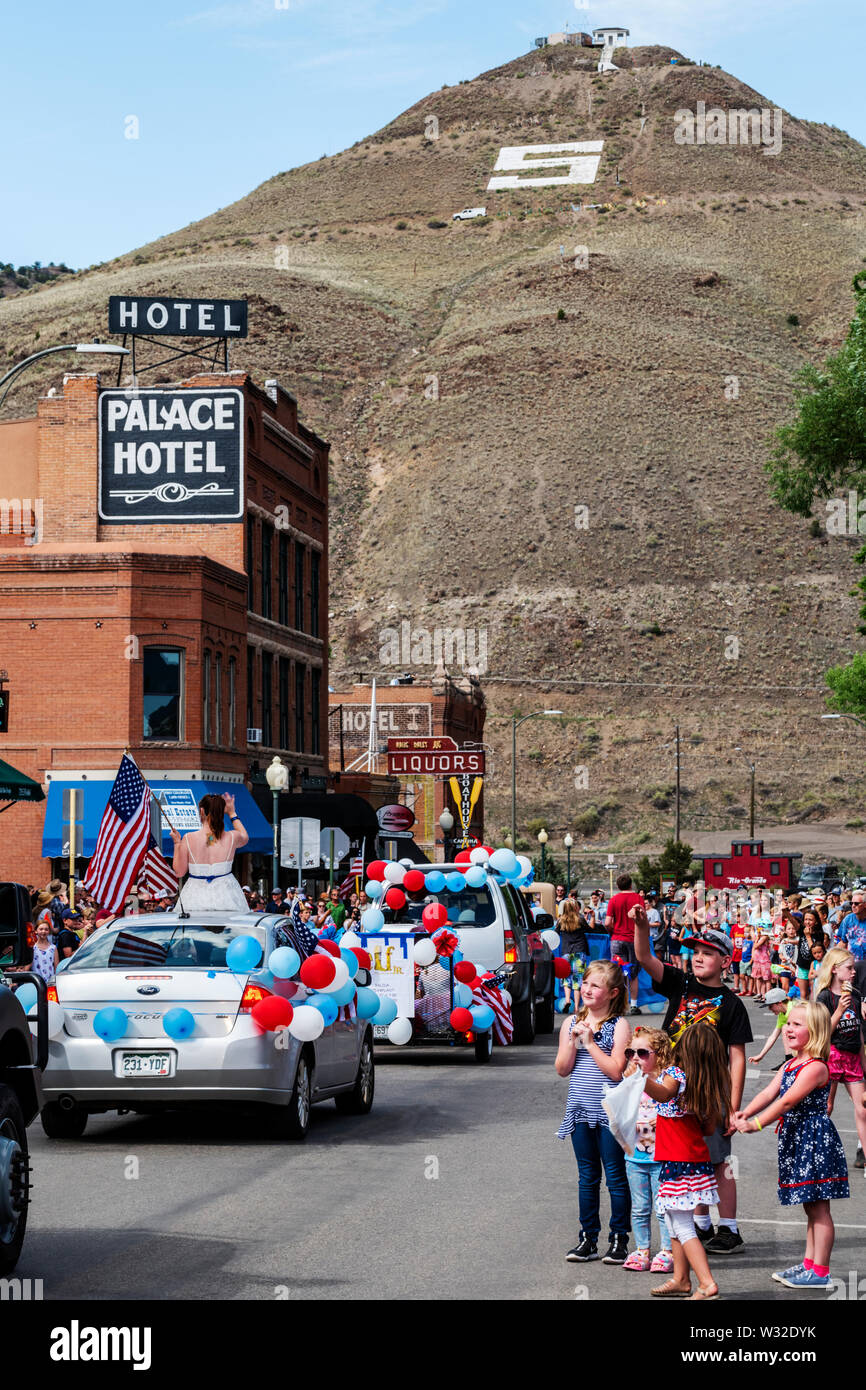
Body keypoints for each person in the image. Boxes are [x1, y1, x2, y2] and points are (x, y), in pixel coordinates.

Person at [633, 910, 752, 1256]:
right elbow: (643, 957)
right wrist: (642, 927)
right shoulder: (680, 983)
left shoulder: (731, 1004)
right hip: (671, 1090)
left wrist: (732, 1107)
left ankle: (729, 1229)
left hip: (710, 1094)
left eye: (708, 953)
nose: (699, 957)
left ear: (726, 961)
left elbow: (737, 1058)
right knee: (687, 1160)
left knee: (719, 1160)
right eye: (695, 952)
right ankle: (700, 1225)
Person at [734, 1001, 849, 1289]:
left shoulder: (816, 1067)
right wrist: (745, 1111)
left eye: (797, 1024)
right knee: (811, 1206)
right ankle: (809, 1263)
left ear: (817, 1031)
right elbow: (770, 1092)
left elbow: (786, 1102)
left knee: (820, 1208)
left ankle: (820, 1271)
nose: (788, 1028)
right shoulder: (790, 1063)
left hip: (814, 1140)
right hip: (798, 1138)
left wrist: (757, 1124)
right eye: (788, 1023)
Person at [646, 1023, 730, 1300]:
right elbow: (707, 1129)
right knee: (673, 1221)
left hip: (678, 1162)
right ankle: (681, 1279)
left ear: (685, 1049)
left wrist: (640, 1077)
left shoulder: (675, 1074)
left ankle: (706, 1283)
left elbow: (664, 1093)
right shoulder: (706, 1083)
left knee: (682, 1225)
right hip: (694, 1161)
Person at [556, 960, 631, 1265]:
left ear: (612, 993)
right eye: (585, 982)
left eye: (595, 985)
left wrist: (590, 1042)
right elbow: (562, 1069)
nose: (587, 989)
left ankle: (619, 1239)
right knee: (587, 1177)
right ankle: (588, 1238)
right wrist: (574, 1042)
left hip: (608, 1113)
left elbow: (615, 1071)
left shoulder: (619, 1025)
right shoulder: (571, 1020)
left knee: (615, 1176)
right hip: (579, 1109)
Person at [620, 1027, 675, 1274]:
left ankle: (667, 1251)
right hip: (635, 1155)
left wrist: (661, 1120)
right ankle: (642, 1250)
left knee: (663, 1207)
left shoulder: (668, 1080)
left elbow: (678, 1111)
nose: (635, 1057)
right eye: (631, 1052)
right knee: (640, 1207)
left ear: (660, 1054)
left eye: (642, 1052)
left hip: (662, 1155)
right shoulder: (629, 1078)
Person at [814, 948, 866, 1166]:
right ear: (835, 969)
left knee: (863, 1107)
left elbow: (859, 1031)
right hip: (833, 1055)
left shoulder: (854, 995)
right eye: (849, 968)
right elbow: (823, 1031)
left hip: (853, 1056)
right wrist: (839, 1010)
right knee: (826, 1106)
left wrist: (863, 1061)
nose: (853, 972)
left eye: (853, 968)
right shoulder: (825, 995)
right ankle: (818, 1153)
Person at [169, 793, 249, 912]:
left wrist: (177, 843)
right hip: (227, 895)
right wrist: (232, 813)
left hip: (194, 896)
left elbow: (179, 872)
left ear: (202, 811)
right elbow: (245, 837)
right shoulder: (232, 837)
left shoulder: (188, 838)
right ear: (222, 813)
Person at [605, 874, 645, 1015]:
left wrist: (613, 931)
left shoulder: (614, 900)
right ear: (631, 884)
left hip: (617, 939)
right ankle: (633, 1005)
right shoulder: (638, 898)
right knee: (633, 974)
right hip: (635, 940)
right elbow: (642, 919)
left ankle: (617, 1005)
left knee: (618, 973)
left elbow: (608, 923)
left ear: (618, 886)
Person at [749, 988, 795, 1068]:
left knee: (785, 1028)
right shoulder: (782, 1014)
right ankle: (789, 1060)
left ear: (779, 1003)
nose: (769, 1009)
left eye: (771, 1006)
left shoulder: (794, 1009)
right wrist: (761, 1055)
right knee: (784, 1028)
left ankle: (791, 1061)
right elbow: (773, 1036)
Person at [558, 898, 590, 1014]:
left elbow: (555, 934)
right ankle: (576, 1007)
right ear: (575, 908)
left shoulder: (560, 920)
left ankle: (567, 1000)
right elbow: (589, 929)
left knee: (566, 977)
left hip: (566, 952)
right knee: (578, 979)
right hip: (579, 951)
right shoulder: (580, 919)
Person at [27, 918, 60, 983]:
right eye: (41, 929)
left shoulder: (53, 948)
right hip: (37, 982)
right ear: (36, 931)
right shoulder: (33, 947)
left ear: (49, 931)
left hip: (50, 982)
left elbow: (57, 967)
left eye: (46, 929)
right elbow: (28, 966)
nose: (43, 931)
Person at [836, 893, 866, 959]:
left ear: (865, 904)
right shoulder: (848, 919)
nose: (853, 906)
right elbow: (843, 942)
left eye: (856, 903)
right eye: (851, 903)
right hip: (852, 962)